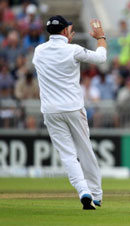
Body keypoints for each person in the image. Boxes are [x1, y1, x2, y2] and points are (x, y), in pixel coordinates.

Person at [32, 15, 107, 210]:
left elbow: (55, 56)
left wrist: (65, 42)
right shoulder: (73, 50)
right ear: (65, 31)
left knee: (67, 155)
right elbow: (101, 58)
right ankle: (96, 195)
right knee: (85, 150)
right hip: (73, 108)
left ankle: (83, 191)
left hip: (50, 110)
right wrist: (101, 37)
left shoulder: (38, 51)